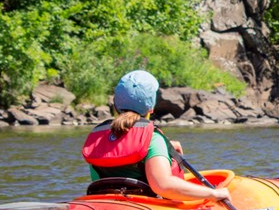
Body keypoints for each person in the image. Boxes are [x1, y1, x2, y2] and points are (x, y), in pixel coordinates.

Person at [82, 69, 231, 202]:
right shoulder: (153, 139)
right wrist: (214, 194)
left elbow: (123, 145)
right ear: (151, 107)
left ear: (115, 105)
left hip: (104, 206)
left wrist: (165, 147)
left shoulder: (100, 137)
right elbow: (163, 185)